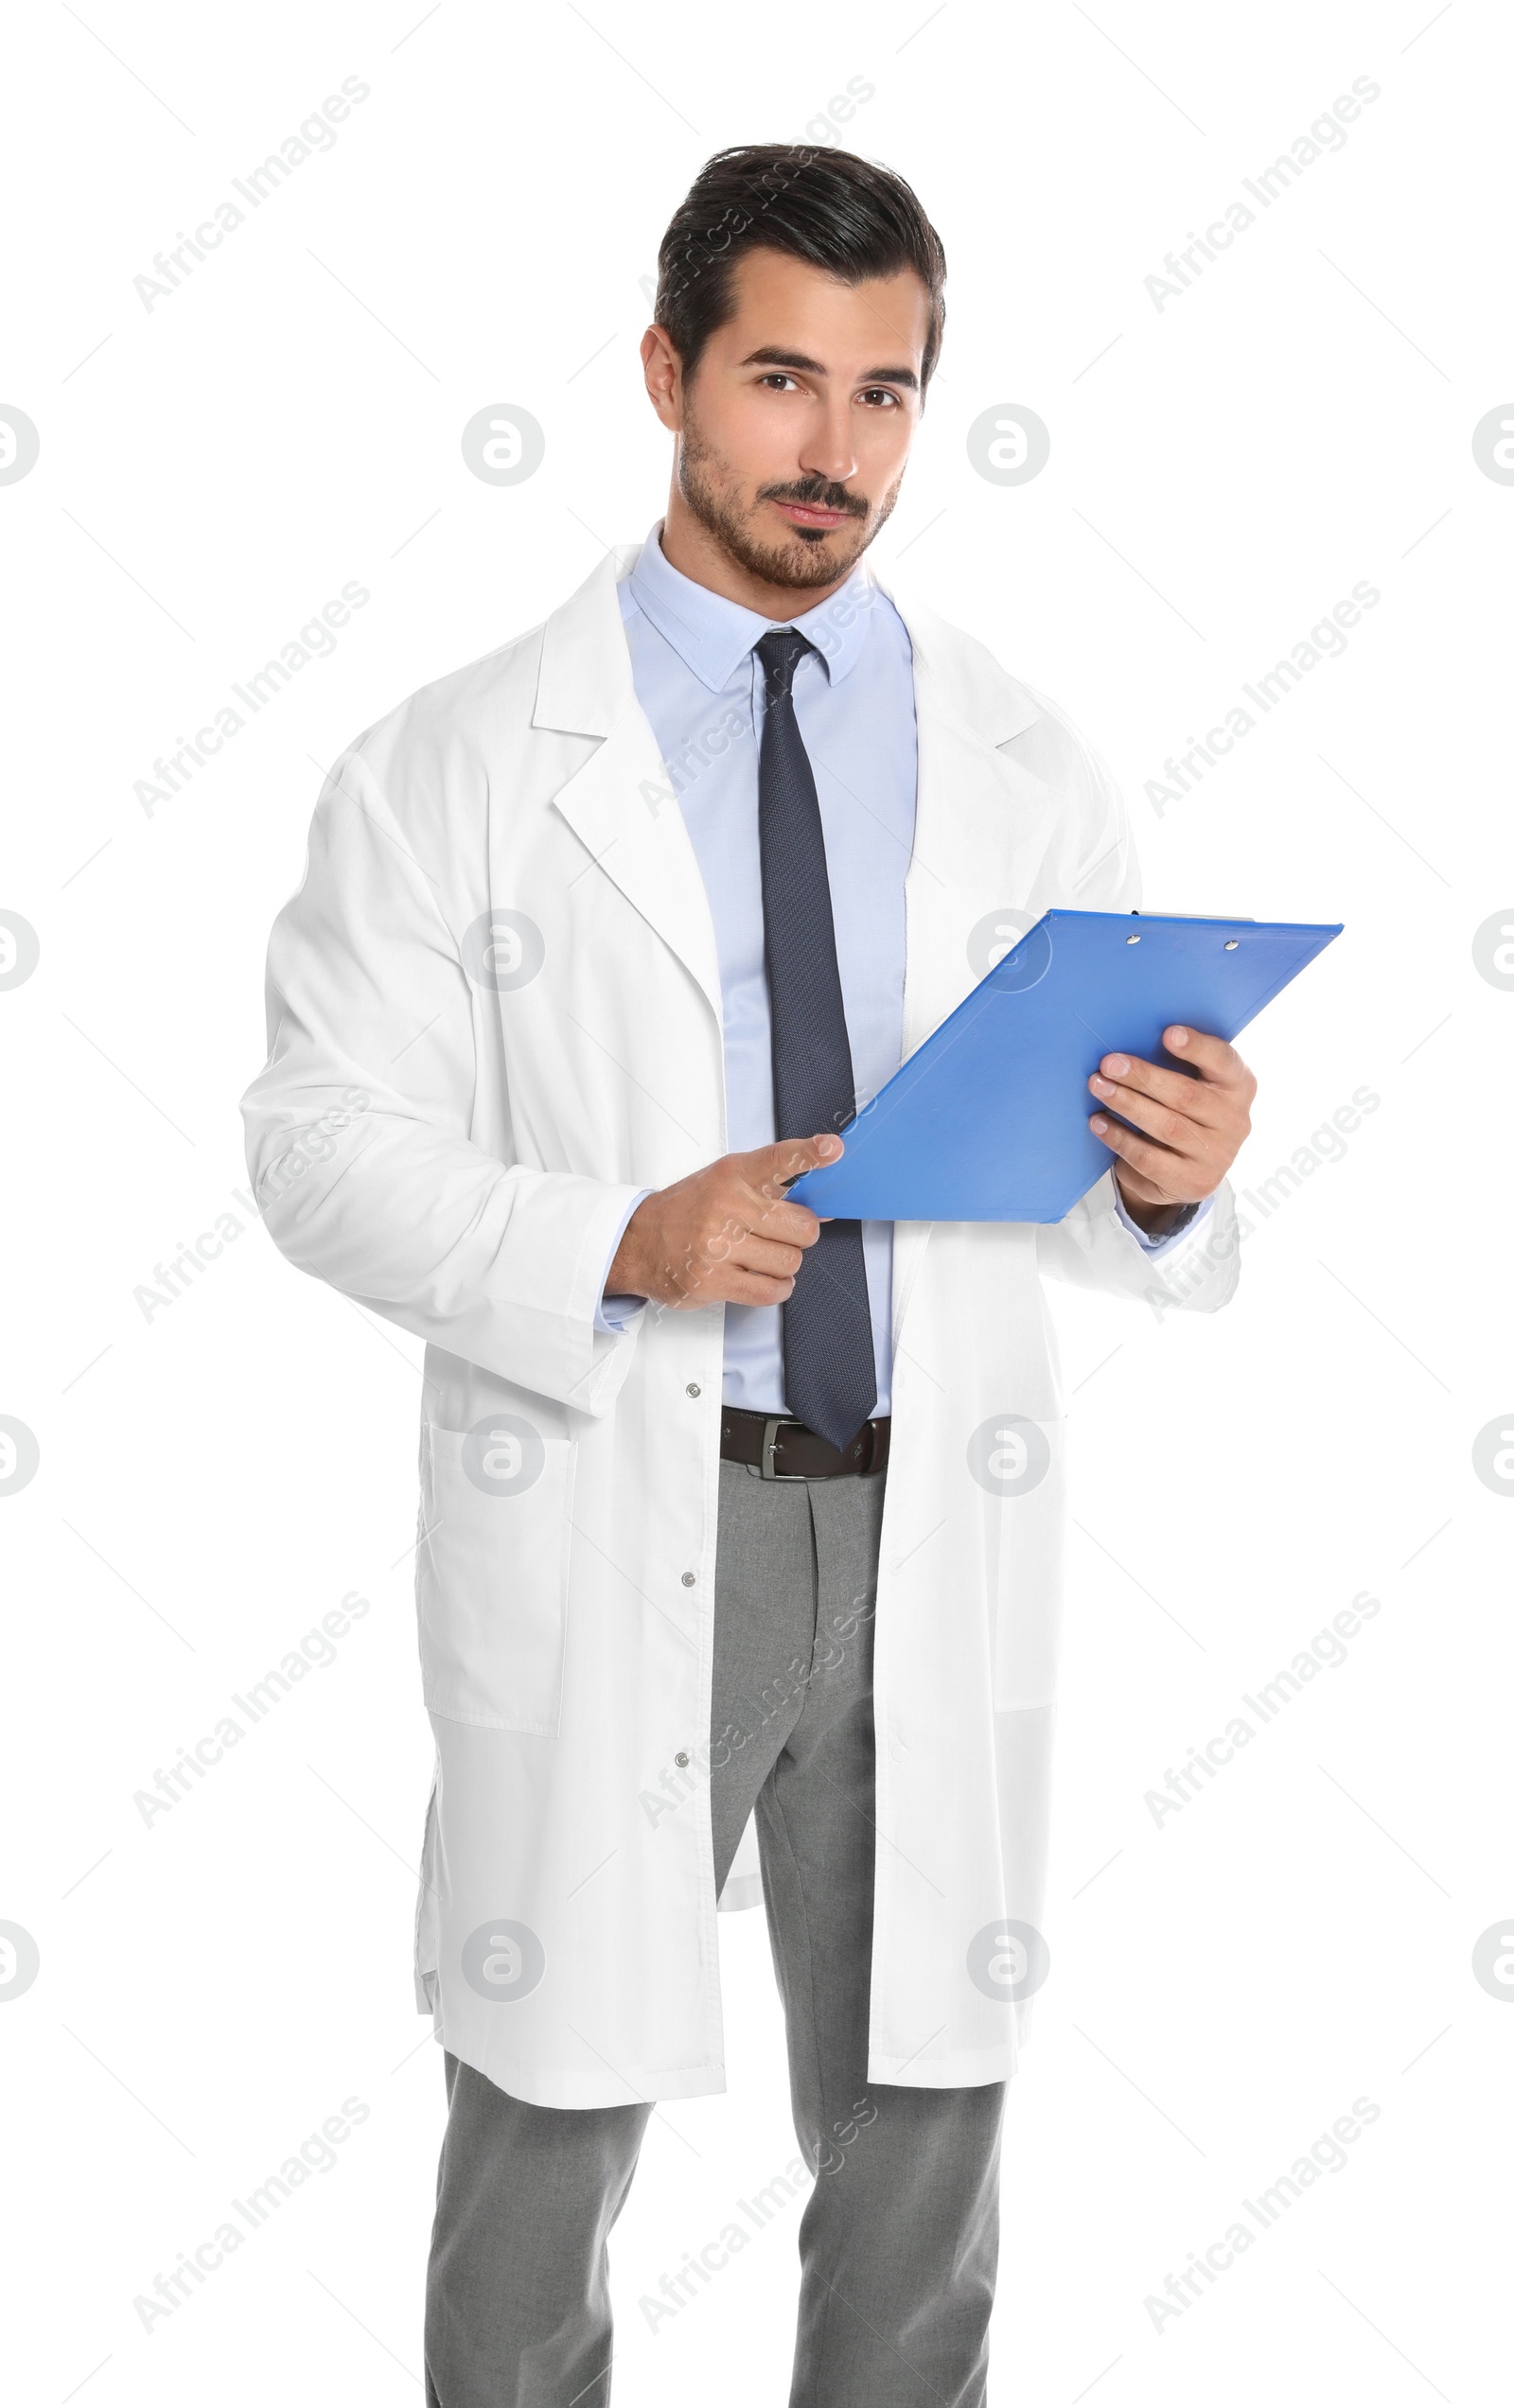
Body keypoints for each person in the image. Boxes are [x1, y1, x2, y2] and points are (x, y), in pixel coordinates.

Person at [240, 143, 1255, 2408]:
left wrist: (1167, 1183)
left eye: (884, 394)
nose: (832, 450)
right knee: (546, 2117)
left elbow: (1071, 1167)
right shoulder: (453, 765)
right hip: (626, 1490)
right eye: (781, 379)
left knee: (919, 2140)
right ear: (664, 376)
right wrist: (616, 1231)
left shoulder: (1020, 755)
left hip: (927, 1508)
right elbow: (311, 1147)